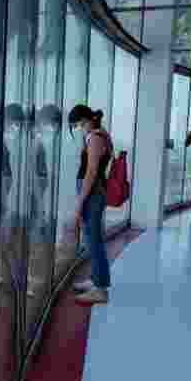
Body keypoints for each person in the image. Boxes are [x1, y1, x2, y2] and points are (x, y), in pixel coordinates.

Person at [67, 105, 112, 305]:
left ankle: (100, 289)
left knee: (94, 241)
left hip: (92, 194)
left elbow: (91, 172)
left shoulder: (95, 138)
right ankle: (96, 281)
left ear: (85, 121)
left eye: (78, 125)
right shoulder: (99, 135)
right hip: (93, 193)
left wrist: (79, 203)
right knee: (92, 238)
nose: (78, 129)